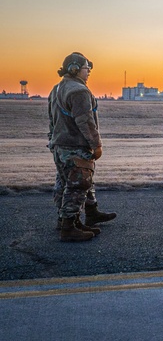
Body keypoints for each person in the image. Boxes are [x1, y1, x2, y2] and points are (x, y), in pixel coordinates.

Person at [47, 52, 115, 242]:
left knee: (64, 184)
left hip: (60, 145)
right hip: (74, 146)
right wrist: (96, 145)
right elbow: (85, 121)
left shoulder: (57, 88)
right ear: (74, 69)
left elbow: (51, 119)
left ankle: (69, 221)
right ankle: (69, 228)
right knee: (78, 185)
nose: (89, 72)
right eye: (87, 68)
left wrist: (53, 141)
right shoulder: (79, 91)